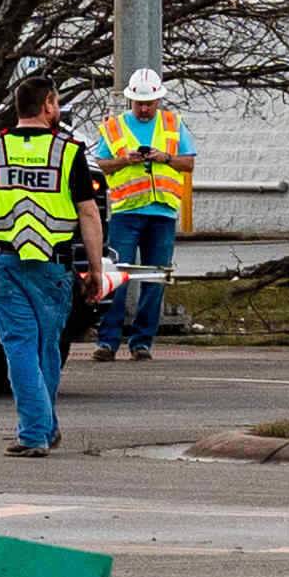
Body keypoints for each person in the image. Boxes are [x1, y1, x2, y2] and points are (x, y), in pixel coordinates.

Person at [0, 77, 93, 458]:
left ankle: (38, 431)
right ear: (49, 104)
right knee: (46, 347)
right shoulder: (69, 152)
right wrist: (96, 269)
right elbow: (88, 212)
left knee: (20, 347)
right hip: (54, 268)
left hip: (5, 262)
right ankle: (41, 429)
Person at [100, 68, 192, 359]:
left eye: (148, 104)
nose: (143, 108)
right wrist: (124, 161)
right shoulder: (113, 128)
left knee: (155, 278)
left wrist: (164, 157)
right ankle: (108, 341)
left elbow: (187, 163)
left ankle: (142, 343)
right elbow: (101, 164)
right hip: (126, 210)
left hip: (162, 211)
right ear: (130, 101)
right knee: (117, 276)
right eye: (138, 103)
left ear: (158, 101)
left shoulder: (174, 124)